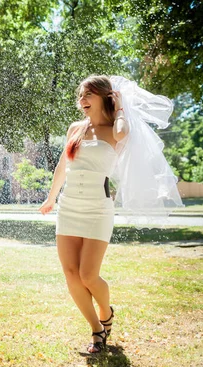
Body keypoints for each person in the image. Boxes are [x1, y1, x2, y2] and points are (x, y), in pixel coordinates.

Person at [39, 75, 127, 353]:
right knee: (70, 274)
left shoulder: (116, 128)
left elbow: (123, 134)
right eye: (80, 96)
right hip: (69, 208)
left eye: (88, 95)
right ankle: (97, 330)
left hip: (98, 209)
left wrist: (120, 106)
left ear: (104, 96)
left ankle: (106, 311)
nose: (82, 101)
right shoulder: (75, 128)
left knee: (89, 275)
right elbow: (62, 166)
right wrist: (51, 198)